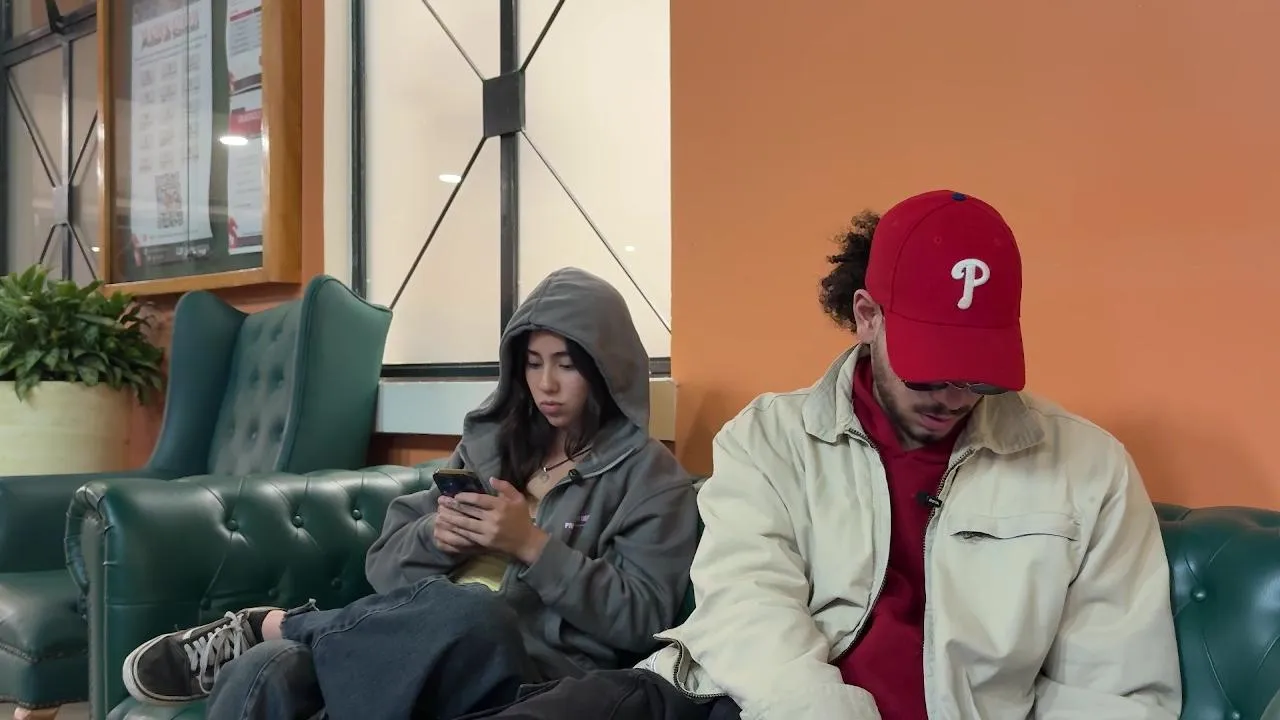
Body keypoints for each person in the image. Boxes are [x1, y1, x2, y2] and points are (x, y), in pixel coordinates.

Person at [465, 190, 1183, 720]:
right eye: (932, 369)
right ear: (867, 316)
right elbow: (748, 608)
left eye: (980, 374)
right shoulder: (768, 438)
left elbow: (1116, 690)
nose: (955, 396)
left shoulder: (1088, 471)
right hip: (735, 700)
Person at [119, 267, 701, 720]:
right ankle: (275, 639)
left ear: (605, 368)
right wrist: (436, 538)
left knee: (472, 611)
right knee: (267, 670)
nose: (545, 385)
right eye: (532, 364)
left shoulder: (651, 479)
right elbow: (384, 568)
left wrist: (531, 546)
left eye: (566, 366)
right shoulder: (493, 447)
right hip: (411, 646)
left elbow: (642, 619)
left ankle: (281, 623)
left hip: (525, 671)